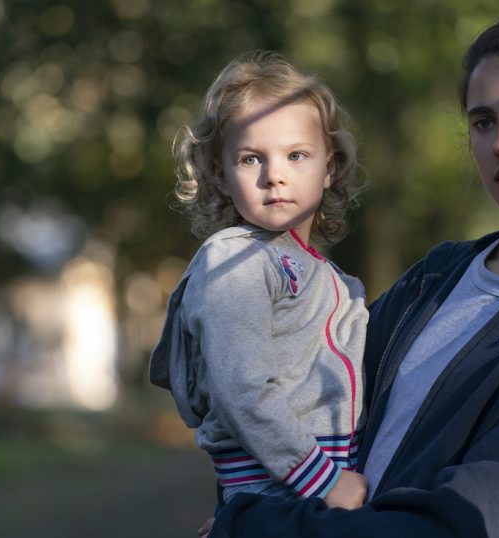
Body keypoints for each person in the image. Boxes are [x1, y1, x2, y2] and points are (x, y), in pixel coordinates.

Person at [202, 10, 499, 537]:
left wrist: (253, 529)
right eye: (484, 121)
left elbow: (461, 525)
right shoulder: (438, 276)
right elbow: (295, 404)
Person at [149, 51, 370, 512]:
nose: (275, 176)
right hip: (281, 486)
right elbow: (242, 389)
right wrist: (325, 483)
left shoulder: (335, 280)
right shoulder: (235, 261)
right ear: (220, 174)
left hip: (313, 485)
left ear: (329, 167)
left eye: (296, 155)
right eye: (251, 159)